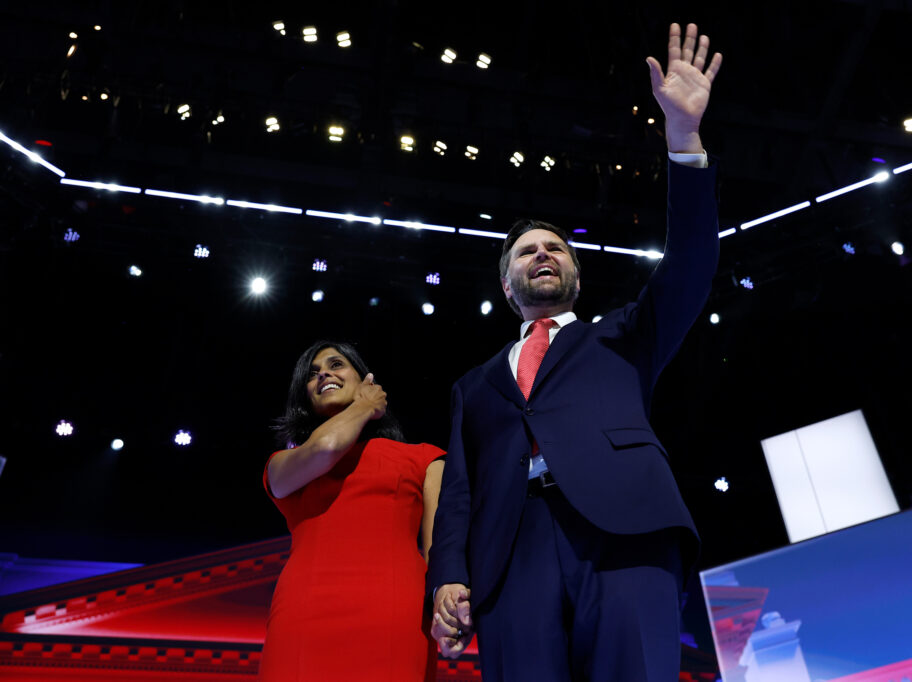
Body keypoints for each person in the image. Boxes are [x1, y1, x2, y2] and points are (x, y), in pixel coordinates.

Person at [426, 22, 723, 682]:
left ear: (577, 277)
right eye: (526, 251)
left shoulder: (622, 334)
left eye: (556, 247)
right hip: (511, 552)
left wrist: (683, 138)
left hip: (626, 532)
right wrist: (447, 575)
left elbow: (693, 262)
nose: (543, 254)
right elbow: (460, 493)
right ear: (507, 286)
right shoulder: (474, 385)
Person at [259, 341, 445, 682]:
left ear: (366, 379)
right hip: (302, 614)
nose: (323, 374)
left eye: (336, 365)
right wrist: (365, 406)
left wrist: (447, 609)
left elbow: (440, 550)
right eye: (312, 374)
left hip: (394, 613)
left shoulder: (424, 459)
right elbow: (326, 447)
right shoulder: (284, 464)